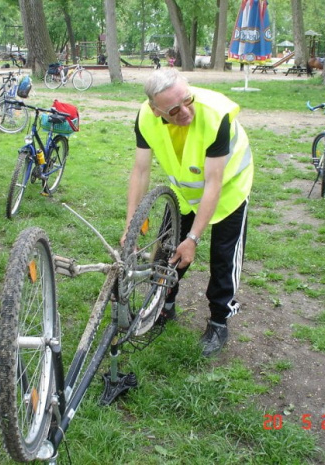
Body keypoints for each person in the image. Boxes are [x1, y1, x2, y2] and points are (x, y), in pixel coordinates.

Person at [124, 68, 253, 357]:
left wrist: (193, 238)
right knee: (168, 250)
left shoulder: (216, 115)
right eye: (173, 109)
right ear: (156, 110)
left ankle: (219, 321)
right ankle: (164, 305)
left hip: (229, 187)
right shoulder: (145, 118)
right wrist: (131, 226)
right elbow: (141, 171)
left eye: (187, 100)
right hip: (186, 190)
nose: (185, 111)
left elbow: (214, 183)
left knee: (223, 256)